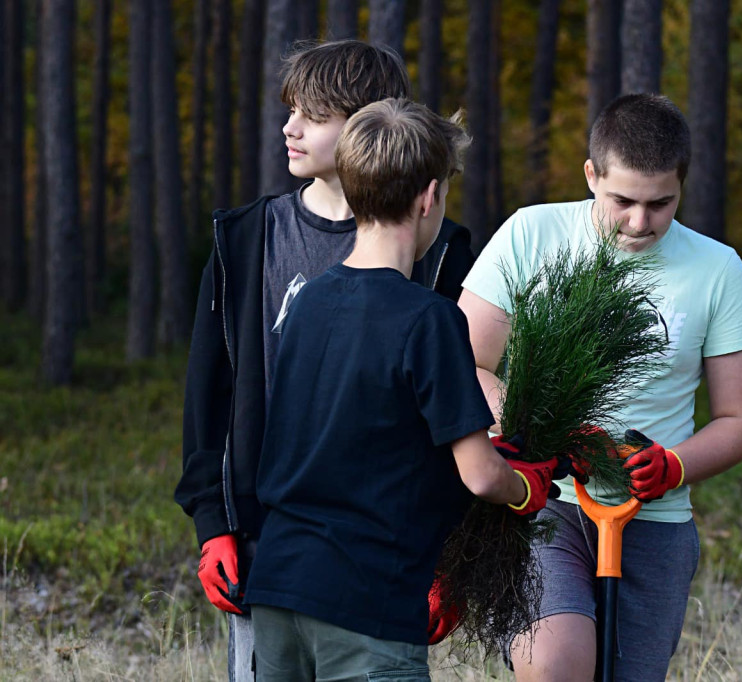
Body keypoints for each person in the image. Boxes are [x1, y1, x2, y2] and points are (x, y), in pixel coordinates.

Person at [174, 40, 474, 682]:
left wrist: (451, 555)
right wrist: (215, 523)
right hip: (268, 552)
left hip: (385, 559)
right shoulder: (247, 238)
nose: (290, 127)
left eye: (313, 114)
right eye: (291, 111)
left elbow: (456, 420)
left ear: (370, 123)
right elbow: (210, 396)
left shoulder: (438, 253)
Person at [243, 97, 565, 682]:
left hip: (277, 585)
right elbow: (481, 474)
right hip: (366, 597)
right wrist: (527, 486)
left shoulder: (308, 301)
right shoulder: (429, 319)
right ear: (429, 195)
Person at [457, 93, 742, 682]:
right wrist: (533, 430)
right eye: (622, 200)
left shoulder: (717, 268)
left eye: (661, 203)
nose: (640, 222)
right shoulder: (533, 233)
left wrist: (672, 466)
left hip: (652, 520)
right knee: (553, 667)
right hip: (542, 502)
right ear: (591, 175)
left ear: (683, 185)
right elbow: (465, 364)